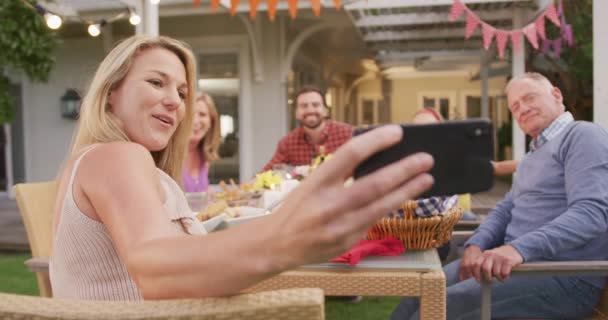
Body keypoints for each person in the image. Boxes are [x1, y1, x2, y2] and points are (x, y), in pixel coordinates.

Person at [49, 35, 435, 301]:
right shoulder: (118, 155)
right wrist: (289, 237)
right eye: (156, 82)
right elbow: (154, 270)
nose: (175, 102)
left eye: (182, 92)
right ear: (111, 93)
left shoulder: (95, 159)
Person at [392, 72, 608, 319]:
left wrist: (517, 249)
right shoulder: (533, 154)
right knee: (419, 293)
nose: (522, 109)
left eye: (530, 98)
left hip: (563, 277)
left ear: (556, 95)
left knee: (439, 308)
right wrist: (476, 244)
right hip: (517, 267)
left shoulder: (583, 135)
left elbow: (592, 213)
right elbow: (506, 208)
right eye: (515, 106)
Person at [261, 85, 353, 172]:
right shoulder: (288, 143)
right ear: (296, 113)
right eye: (304, 106)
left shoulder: (347, 134)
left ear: (325, 111)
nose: (310, 110)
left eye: (315, 105)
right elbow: (266, 174)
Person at [182, 92, 220, 192]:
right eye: (190, 114)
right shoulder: (168, 156)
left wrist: (208, 193)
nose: (195, 121)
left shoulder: (205, 156)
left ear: (211, 122)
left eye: (202, 115)